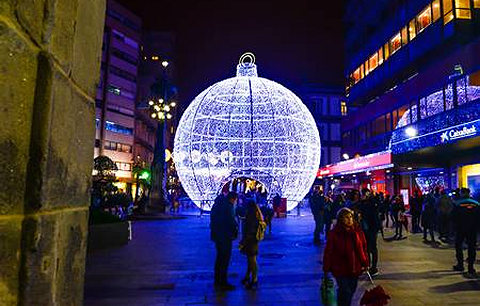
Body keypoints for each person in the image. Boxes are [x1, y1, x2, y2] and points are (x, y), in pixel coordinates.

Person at [323, 208, 369, 306]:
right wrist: (326, 267)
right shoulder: (334, 233)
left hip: (354, 267)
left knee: (351, 290)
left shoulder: (357, 232)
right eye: (346, 217)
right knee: (345, 291)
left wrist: (365, 262)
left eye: (351, 217)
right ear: (340, 219)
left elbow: (363, 248)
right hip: (340, 268)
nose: (349, 220)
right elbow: (328, 252)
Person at [210, 192, 239, 290]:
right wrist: (235, 232)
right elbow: (231, 221)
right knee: (224, 259)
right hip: (225, 236)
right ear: (233, 199)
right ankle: (223, 282)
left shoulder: (218, 205)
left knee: (219, 259)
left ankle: (217, 281)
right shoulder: (228, 206)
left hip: (218, 236)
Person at [451, 188, 480, 277]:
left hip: (461, 229)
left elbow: (453, 217)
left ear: (462, 193)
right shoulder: (476, 203)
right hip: (472, 229)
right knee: (472, 247)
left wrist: (454, 228)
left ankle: (460, 265)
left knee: (458, 245)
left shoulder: (457, 203)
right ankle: (471, 268)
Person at [240, 200, 264, 289]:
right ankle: (247, 276)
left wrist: (244, 240)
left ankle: (254, 279)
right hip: (253, 240)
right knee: (250, 260)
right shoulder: (257, 214)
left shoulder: (251, 215)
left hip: (251, 241)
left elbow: (249, 229)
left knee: (252, 260)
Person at [357, 188, 381, 276]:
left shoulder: (372, 202)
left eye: (364, 194)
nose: (362, 196)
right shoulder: (362, 203)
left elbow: (376, 209)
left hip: (372, 228)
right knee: (366, 248)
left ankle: (374, 268)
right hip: (365, 228)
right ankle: (367, 265)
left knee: (373, 248)